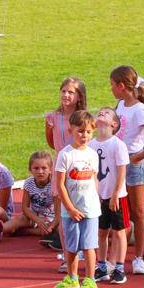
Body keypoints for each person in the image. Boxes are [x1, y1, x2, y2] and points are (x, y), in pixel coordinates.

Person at [111, 65, 144, 272]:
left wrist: (138, 157)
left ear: (122, 86)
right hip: (120, 161)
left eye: (112, 85)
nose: (111, 89)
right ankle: (118, 256)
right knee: (120, 209)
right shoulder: (120, 104)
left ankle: (139, 257)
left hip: (134, 163)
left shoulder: (139, 109)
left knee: (138, 211)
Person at [53, 110, 101, 288]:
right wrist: (70, 208)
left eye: (88, 132)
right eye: (80, 131)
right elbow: (60, 185)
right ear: (71, 130)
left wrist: (96, 200)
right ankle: (72, 277)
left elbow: (94, 179)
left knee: (89, 245)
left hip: (90, 209)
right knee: (71, 247)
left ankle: (90, 280)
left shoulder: (92, 154)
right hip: (70, 210)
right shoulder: (65, 155)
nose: (84, 135)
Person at [44, 77, 87, 259]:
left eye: (71, 92)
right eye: (63, 91)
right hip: (60, 168)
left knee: (82, 209)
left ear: (79, 97)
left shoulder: (83, 118)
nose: (66, 95)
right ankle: (67, 252)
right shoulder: (52, 117)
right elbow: (51, 141)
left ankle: (82, 250)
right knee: (62, 213)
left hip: (79, 169)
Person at [90, 107, 130, 285]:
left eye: (106, 113)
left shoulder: (117, 145)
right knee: (101, 232)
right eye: (100, 112)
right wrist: (94, 193)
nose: (101, 113)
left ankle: (120, 268)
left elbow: (121, 171)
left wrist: (115, 194)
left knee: (119, 232)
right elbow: (92, 172)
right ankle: (102, 266)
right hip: (99, 196)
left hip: (117, 196)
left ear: (114, 124)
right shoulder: (91, 144)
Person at [3, 151, 55, 238]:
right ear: (30, 169)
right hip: (33, 216)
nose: (40, 171)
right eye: (36, 168)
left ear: (50, 169)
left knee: (49, 230)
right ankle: (0, 228)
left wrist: (45, 222)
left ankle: (26, 231)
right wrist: (37, 220)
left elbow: (58, 209)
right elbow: (25, 207)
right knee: (20, 219)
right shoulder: (29, 183)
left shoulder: (54, 184)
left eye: (44, 168)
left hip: (49, 217)